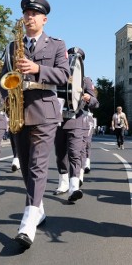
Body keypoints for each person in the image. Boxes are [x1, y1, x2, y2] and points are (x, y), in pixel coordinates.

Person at [2, 0, 68, 249]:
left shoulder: (56, 45)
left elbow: (64, 75)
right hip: (19, 110)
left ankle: (27, 223)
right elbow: (6, 76)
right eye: (26, 13)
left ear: (44, 19)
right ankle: (38, 208)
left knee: (38, 165)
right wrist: (5, 95)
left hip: (45, 110)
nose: (29, 17)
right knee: (27, 166)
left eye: (33, 14)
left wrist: (37, 69)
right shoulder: (11, 46)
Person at [52, 47, 98, 202]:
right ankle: (63, 183)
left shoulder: (85, 80)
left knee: (75, 153)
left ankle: (74, 187)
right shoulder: (59, 75)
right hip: (59, 120)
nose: (73, 58)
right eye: (71, 55)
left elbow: (95, 102)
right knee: (60, 153)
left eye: (77, 57)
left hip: (77, 120)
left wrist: (87, 98)